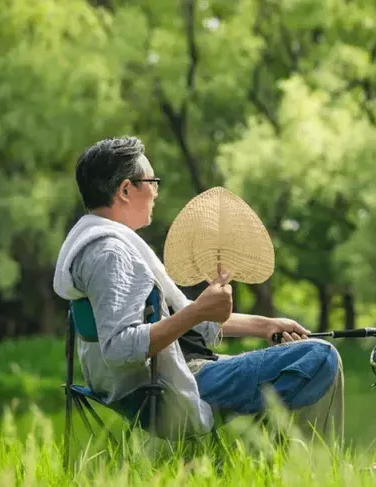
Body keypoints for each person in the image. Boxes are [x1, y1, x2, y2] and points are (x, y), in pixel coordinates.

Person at [52, 136, 343, 445]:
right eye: (152, 180)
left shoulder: (99, 246)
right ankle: (291, 463)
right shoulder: (111, 254)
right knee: (320, 357)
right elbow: (121, 348)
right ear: (126, 190)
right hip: (165, 387)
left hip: (156, 376)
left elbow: (181, 323)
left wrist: (264, 325)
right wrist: (197, 311)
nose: (156, 191)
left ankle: (272, 460)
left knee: (312, 356)